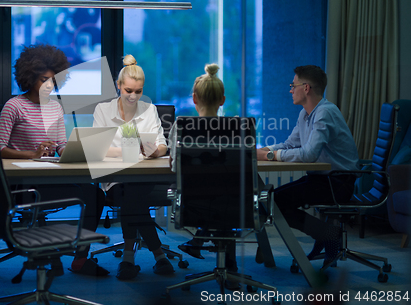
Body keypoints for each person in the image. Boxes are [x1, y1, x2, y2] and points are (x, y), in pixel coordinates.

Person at [0, 44, 109, 276]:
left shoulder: (56, 108)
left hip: (49, 178)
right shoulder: (14, 106)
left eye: (53, 81)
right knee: (90, 194)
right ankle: (54, 250)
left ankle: (80, 257)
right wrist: (32, 154)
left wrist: (76, 150)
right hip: (24, 184)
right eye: (43, 80)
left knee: (95, 194)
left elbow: (61, 145)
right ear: (29, 78)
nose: (49, 86)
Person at [256, 65, 359, 266]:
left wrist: (271, 155)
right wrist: (261, 150)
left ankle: (328, 234)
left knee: (273, 202)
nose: (290, 90)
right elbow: (289, 144)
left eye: (293, 85)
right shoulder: (306, 113)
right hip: (321, 179)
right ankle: (326, 234)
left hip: (337, 183)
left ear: (306, 88)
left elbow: (309, 154)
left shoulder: (325, 113)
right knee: (269, 200)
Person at [93, 54, 173, 280]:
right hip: (116, 178)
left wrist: (155, 151)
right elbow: (98, 147)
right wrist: (129, 152)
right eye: (128, 90)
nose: (133, 96)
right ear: (118, 86)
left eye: (138, 91)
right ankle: (158, 255)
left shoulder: (149, 110)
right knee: (131, 194)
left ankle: (129, 258)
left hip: (146, 177)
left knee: (133, 194)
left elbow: (163, 146)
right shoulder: (103, 110)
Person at [167, 64, 240, 290]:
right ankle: (231, 269)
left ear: (194, 99)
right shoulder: (237, 127)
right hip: (235, 204)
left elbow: (174, 167)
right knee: (225, 197)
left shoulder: (181, 127)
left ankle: (200, 242)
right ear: (222, 100)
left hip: (193, 202)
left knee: (214, 198)